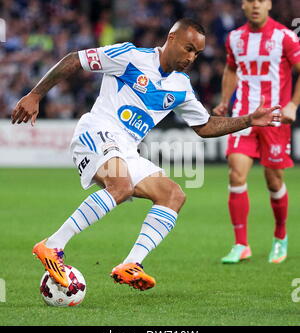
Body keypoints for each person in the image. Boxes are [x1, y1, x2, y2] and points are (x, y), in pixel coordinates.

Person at [12, 18, 281, 290]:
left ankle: (131, 263)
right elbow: (75, 59)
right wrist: (35, 95)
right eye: (188, 48)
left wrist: (248, 120)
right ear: (171, 38)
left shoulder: (181, 86)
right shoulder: (129, 56)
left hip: (126, 148)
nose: (191, 57)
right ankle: (53, 245)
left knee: (173, 194)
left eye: (197, 53)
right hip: (97, 131)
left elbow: (206, 126)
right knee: (121, 186)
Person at [213, 0, 300, 264]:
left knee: (274, 181)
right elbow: (230, 69)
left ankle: (280, 237)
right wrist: (225, 101)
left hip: (274, 119)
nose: (255, 6)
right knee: (236, 173)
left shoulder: (285, 36)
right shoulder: (235, 38)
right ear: (243, 5)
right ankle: (241, 244)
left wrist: (293, 105)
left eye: (260, 1)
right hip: (244, 117)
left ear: (269, 5)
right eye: (250, 0)